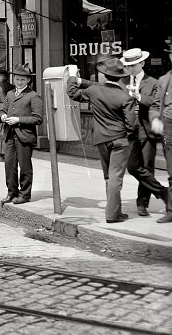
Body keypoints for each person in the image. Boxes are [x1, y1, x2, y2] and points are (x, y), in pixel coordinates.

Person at [67, 58, 170, 224]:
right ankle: (113, 214)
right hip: (120, 140)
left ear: (103, 75)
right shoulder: (124, 96)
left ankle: (116, 210)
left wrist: (72, 77)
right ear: (119, 76)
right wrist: (128, 137)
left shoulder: (94, 91)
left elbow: (72, 93)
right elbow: (132, 124)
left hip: (101, 139)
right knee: (116, 177)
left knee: (108, 177)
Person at [122, 48, 163, 217]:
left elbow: (156, 103)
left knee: (147, 166)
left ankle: (142, 202)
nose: (130, 68)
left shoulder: (153, 82)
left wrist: (138, 96)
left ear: (142, 63)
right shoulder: (122, 81)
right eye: (128, 65)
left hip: (146, 130)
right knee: (132, 167)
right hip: (129, 130)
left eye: (133, 65)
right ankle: (162, 191)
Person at [0, 64, 42, 205]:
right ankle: (11, 192)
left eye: (22, 80)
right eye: (17, 79)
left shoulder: (33, 96)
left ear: (28, 80)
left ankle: (25, 194)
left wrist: (18, 120)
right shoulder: (10, 94)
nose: (19, 82)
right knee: (9, 165)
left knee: (25, 167)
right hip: (10, 134)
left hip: (24, 135)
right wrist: (3, 116)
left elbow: (37, 118)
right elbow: (2, 110)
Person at [148, 39, 172, 222]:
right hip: (169, 130)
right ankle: (171, 210)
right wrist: (155, 118)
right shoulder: (164, 80)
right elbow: (155, 105)